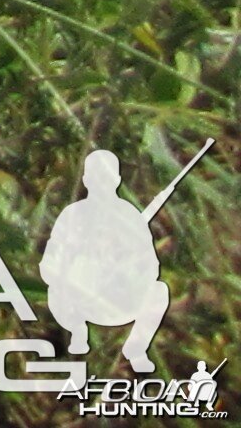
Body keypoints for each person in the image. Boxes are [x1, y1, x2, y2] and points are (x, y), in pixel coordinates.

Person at [43, 150, 172, 372]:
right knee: (56, 291)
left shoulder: (130, 215)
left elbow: (151, 265)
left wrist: (125, 267)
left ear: (117, 179)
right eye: (96, 176)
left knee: (159, 291)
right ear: (85, 179)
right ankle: (78, 338)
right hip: (81, 299)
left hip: (122, 296)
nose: (102, 183)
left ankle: (136, 349)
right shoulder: (73, 215)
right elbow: (49, 264)